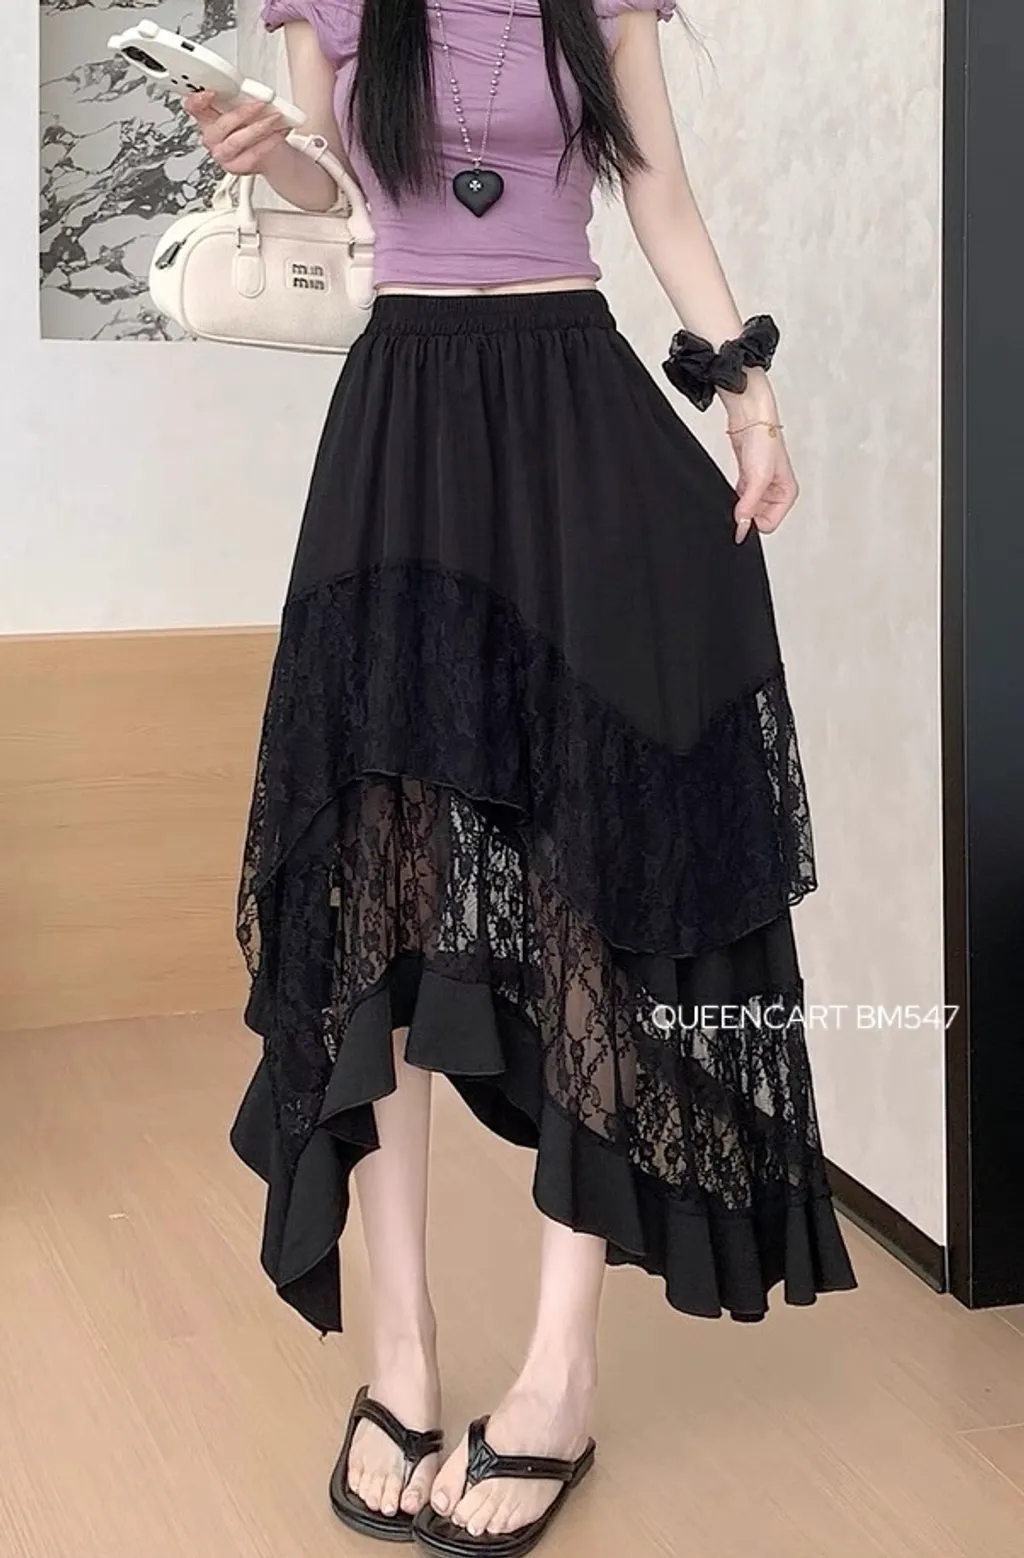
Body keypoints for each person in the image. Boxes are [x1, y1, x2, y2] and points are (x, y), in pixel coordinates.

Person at [185, 1, 856, 1552]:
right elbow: (328, 195)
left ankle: (560, 1372)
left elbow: (659, 192)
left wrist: (749, 397)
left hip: (575, 415)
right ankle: (403, 1356)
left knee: (590, 884)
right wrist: (267, 153)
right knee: (384, 895)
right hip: (405, 429)